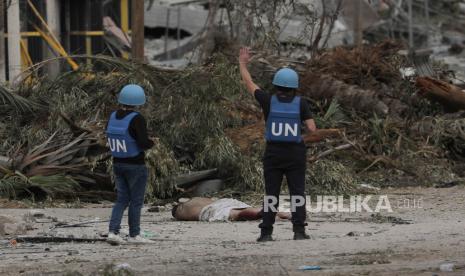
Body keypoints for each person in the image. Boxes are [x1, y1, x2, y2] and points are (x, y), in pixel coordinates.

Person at [238, 47, 317, 242]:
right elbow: (312, 128)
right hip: (295, 154)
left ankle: (266, 233)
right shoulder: (301, 103)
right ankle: (299, 231)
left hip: (273, 154)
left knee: (271, 194)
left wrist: (242, 62)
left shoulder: (268, 100)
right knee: (297, 193)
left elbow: (249, 83)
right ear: (295, 86)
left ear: (276, 85)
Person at [106, 84, 155, 245]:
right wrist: (152, 143)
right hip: (135, 165)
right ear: (138, 102)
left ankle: (113, 232)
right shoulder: (137, 118)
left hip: (117, 164)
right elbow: (142, 142)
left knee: (121, 200)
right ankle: (134, 234)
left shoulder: (113, 116)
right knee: (136, 201)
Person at [171, 197, 291, 222]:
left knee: (238, 214)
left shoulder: (179, 211)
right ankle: (285, 214)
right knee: (245, 208)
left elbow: (180, 214)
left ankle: (262, 213)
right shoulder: (195, 199)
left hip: (210, 209)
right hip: (222, 201)